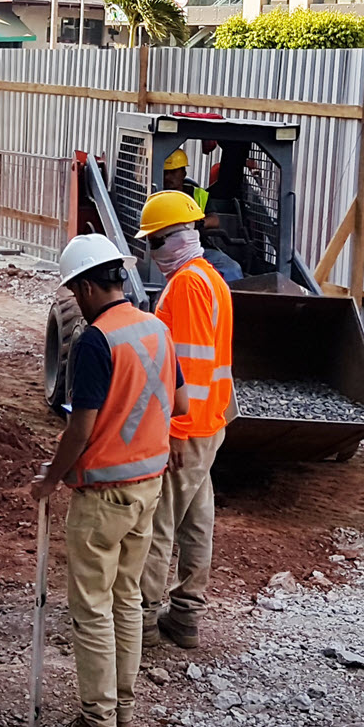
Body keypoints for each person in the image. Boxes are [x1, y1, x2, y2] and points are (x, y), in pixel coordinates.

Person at [29, 234, 187, 727]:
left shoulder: (95, 341)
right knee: (126, 603)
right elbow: (180, 400)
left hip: (102, 497)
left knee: (92, 609)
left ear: (91, 285)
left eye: (77, 290)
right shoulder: (157, 330)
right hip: (148, 487)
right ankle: (122, 718)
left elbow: (81, 427)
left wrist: (52, 477)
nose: (76, 299)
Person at [133, 189, 235, 650]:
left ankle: (145, 622)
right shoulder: (212, 278)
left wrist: (174, 431)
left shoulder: (189, 285)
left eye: (154, 242)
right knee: (197, 520)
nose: (152, 253)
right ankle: (187, 615)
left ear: (173, 239)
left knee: (160, 524)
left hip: (188, 427)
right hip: (210, 421)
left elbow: (189, 365)